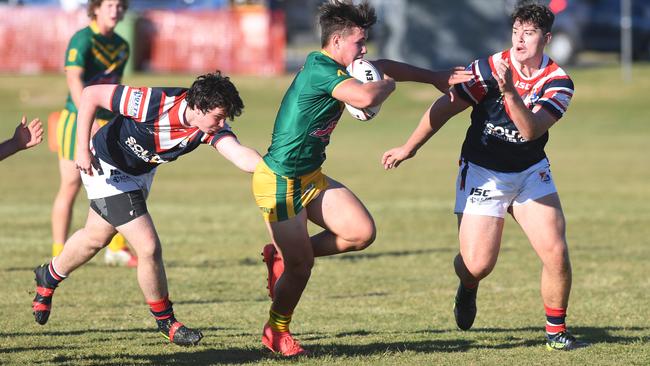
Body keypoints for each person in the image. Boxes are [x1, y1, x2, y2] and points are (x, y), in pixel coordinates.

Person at [253, 0, 473, 356]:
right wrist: (386, 87)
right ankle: (276, 331)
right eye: (359, 42)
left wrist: (433, 77)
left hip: (310, 176)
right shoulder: (319, 70)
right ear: (337, 41)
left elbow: (381, 66)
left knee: (361, 233)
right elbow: (366, 94)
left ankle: (283, 256)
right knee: (302, 269)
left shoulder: (345, 64)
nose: (365, 49)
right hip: (279, 181)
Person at [382, 3, 587, 351]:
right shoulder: (487, 69)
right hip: (483, 172)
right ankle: (468, 285)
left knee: (556, 252)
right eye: (516, 31)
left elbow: (531, 131)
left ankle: (556, 331)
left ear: (547, 38)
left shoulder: (558, 82)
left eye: (530, 33)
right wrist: (409, 147)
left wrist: (508, 92)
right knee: (477, 265)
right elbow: (445, 107)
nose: (520, 40)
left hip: (529, 171)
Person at [32, 71, 261, 346]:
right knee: (148, 246)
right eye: (218, 117)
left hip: (138, 174)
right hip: (105, 165)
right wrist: (81, 149)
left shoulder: (204, 128)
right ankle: (166, 322)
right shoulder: (153, 102)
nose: (222, 123)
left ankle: (49, 275)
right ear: (198, 107)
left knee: (95, 237)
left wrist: (274, 171)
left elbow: (239, 155)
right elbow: (90, 95)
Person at [51, 0, 136, 266]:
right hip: (75, 120)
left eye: (120, 5)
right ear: (96, 8)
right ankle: (59, 252)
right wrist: (90, 116)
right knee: (71, 186)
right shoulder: (83, 39)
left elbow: (115, 87)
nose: (115, 10)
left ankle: (117, 249)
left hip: (109, 124)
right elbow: (74, 79)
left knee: (120, 182)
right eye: (109, 4)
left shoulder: (122, 45)